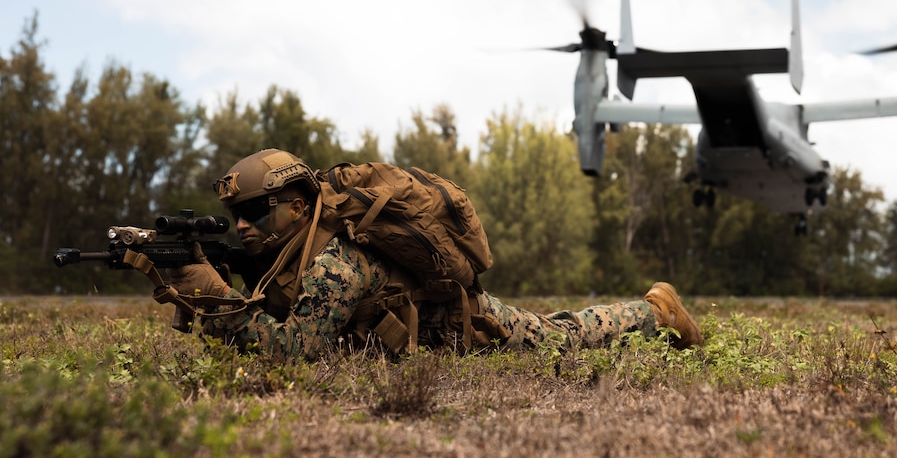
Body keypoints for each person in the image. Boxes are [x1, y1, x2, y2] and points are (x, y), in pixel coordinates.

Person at [159, 148, 703, 361]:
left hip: (464, 324)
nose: (245, 225)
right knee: (559, 330)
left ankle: (655, 313)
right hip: (437, 323)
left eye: (260, 210)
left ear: (299, 207)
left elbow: (292, 351)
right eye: (238, 216)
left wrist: (205, 287)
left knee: (561, 335)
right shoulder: (293, 251)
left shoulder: (333, 262)